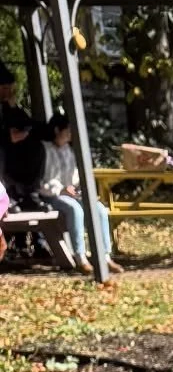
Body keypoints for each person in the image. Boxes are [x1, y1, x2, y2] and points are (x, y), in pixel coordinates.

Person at [39, 112, 115, 272]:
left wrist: (79, 188)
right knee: (75, 209)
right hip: (51, 195)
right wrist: (61, 189)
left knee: (99, 209)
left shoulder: (68, 150)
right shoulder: (44, 150)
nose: (71, 134)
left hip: (71, 193)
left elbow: (74, 177)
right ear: (56, 130)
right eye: (68, 130)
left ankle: (105, 256)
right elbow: (43, 180)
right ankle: (80, 257)